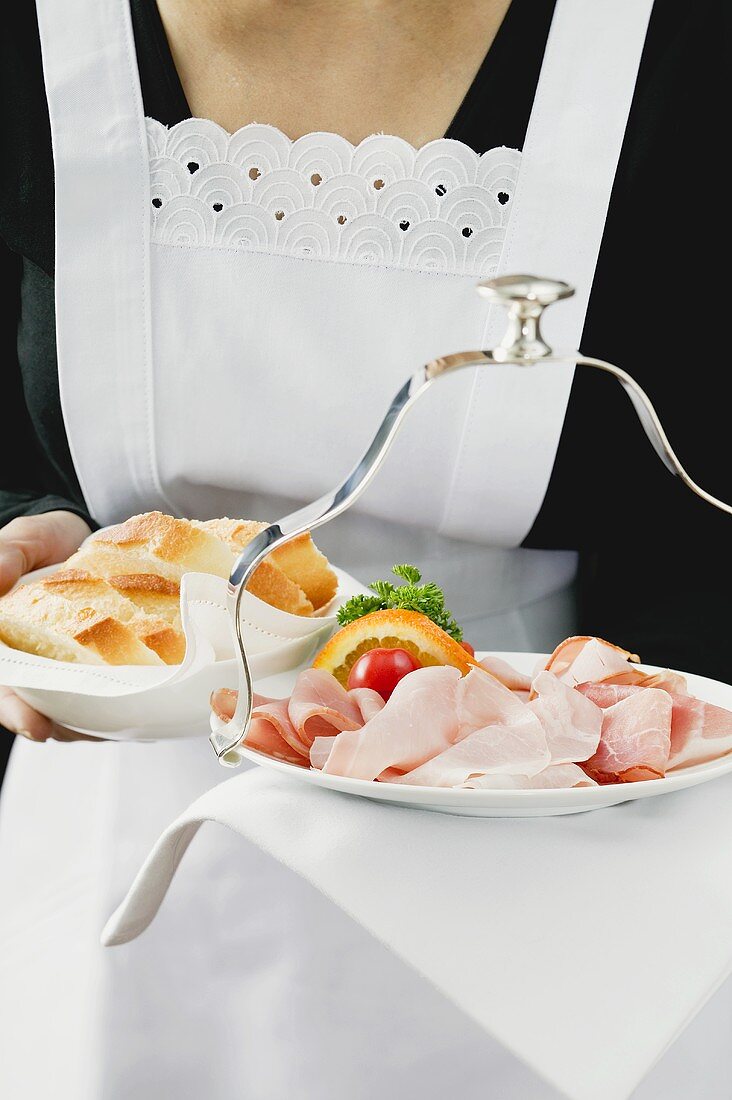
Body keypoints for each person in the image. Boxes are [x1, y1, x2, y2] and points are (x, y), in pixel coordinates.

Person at [1, 1, 729, 1097]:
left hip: (567, 857)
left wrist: (578, 728)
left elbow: (696, 517)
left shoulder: (683, 41)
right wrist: (36, 538)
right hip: (131, 839)